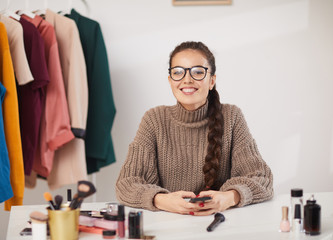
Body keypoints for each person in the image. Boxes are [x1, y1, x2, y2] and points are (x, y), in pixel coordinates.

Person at [115, 41, 273, 216]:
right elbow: (126, 184)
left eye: (198, 72)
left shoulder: (232, 116)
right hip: (168, 225)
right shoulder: (154, 119)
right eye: (178, 72)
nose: (187, 79)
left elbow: (262, 178)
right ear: (170, 80)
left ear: (212, 80)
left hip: (221, 224)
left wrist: (229, 197)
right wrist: (161, 200)